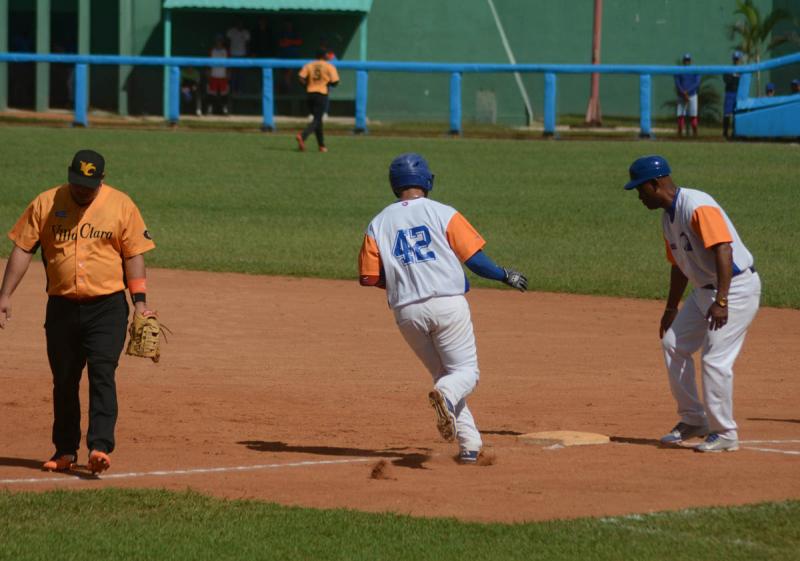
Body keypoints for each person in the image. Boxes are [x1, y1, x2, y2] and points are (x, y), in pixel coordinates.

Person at [358, 153, 528, 463]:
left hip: (406, 312)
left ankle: (469, 446)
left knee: (443, 374)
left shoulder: (378, 222)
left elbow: (369, 277)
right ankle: (447, 398)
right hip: (447, 305)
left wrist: (402, 280)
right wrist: (506, 274)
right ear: (426, 180)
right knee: (465, 374)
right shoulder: (443, 213)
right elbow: (475, 261)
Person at [0, 150, 156, 473]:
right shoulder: (46, 203)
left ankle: (99, 446)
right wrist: (5, 295)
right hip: (61, 308)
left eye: (89, 185)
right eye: (77, 183)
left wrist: (139, 301)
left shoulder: (121, 206)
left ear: (102, 180)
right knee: (64, 380)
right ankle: (65, 450)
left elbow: (133, 255)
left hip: (107, 308)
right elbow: (23, 249)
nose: (82, 190)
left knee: (102, 372)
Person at [624, 155, 760, 453]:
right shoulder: (668, 218)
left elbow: (723, 249)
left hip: (734, 288)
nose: (639, 197)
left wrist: (722, 300)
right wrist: (671, 308)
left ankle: (725, 433)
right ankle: (694, 419)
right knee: (673, 343)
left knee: (714, 359)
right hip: (704, 292)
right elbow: (678, 265)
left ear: (655, 183)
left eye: (639, 189)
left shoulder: (697, 205)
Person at [295, 49, 340, 153]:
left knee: (317, 120)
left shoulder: (309, 65)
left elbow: (300, 77)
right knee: (317, 120)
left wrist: (306, 86)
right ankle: (302, 136)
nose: (328, 56)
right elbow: (336, 82)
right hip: (321, 94)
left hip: (310, 94)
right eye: (327, 55)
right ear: (324, 56)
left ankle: (321, 146)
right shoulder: (329, 66)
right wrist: (328, 84)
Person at [674, 53, 701, 137]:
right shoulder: (679, 70)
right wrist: (683, 92)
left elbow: (697, 83)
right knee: (680, 115)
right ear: (683, 61)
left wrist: (687, 92)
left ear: (691, 61)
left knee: (693, 115)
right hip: (681, 95)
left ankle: (695, 134)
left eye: (688, 60)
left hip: (692, 95)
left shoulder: (695, 69)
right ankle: (679, 134)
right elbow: (677, 83)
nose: (687, 62)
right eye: (685, 60)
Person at [206, 35, 230, 115]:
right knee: (212, 93)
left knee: (224, 93)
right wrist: (208, 72)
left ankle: (225, 109)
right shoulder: (212, 50)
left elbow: (229, 63)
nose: (219, 42)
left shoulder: (225, 51)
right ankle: (210, 109)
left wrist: (228, 73)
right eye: (217, 41)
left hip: (223, 75)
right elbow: (208, 62)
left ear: (222, 42)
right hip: (213, 74)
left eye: (220, 41)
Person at [226, 18, 250, 95]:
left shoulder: (246, 32)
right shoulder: (231, 31)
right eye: (238, 23)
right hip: (233, 55)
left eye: (241, 23)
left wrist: (247, 55)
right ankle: (232, 90)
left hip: (242, 55)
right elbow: (228, 42)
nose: (239, 25)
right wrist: (228, 54)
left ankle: (240, 90)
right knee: (233, 74)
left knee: (241, 74)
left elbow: (248, 44)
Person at [722, 51, 742, 138]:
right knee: (727, 113)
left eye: (737, 59)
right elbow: (726, 80)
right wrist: (734, 75)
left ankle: (735, 132)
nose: (736, 60)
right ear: (733, 59)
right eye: (735, 59)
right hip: (730, 93)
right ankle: (725, 132)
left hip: (739, 94)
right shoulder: (728, 69)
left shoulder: (742, 70)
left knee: (737, 113)